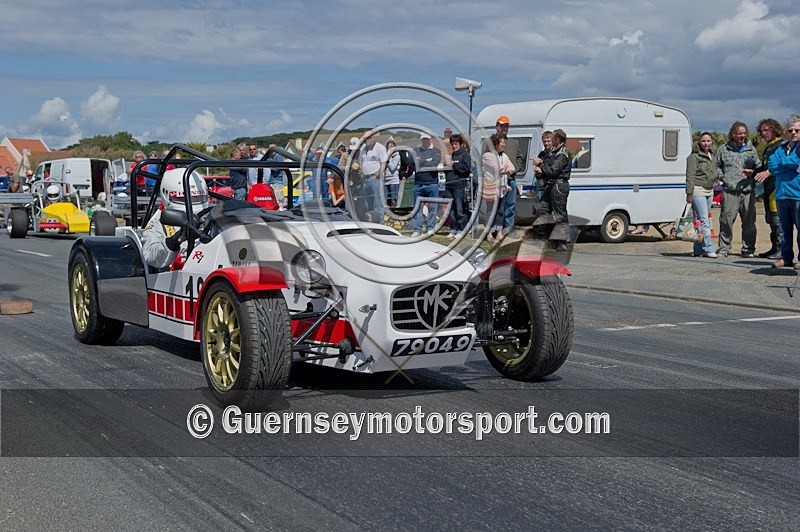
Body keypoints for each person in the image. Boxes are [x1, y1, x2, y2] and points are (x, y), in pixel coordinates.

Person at [142, 168, 209, 270]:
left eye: (196, 198)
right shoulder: (158, 223)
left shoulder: (212, 218)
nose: (191, 202)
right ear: (167, 196)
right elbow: (151, 257)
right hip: (173, 278)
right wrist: (174, 240)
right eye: (182, 198)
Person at [715, 121, 761, 258]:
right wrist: (722, 176)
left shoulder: (751, 149)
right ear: (733, 134)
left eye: (744, 133)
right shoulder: (724, 149)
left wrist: (752, 171)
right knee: (726, 220)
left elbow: (759, 166)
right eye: (739, 133)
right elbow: (716, 165)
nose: (742, 136)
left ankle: (748, 249)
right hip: (730, 191)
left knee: (749, 222)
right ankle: (724, 248)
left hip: (747, 190)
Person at [767, 116, 800, 269]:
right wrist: (787, 164)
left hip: (797, 194)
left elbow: (795, 161)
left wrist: (783, 163)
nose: (793, 133)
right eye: (791, 130)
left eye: (797, 130)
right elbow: (772, 166)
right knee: (784, 229)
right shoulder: (781, 147)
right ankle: (786, 257)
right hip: (781, 194)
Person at [533, 128, 571, 250]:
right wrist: (540, 171)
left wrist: (541, 164)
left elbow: (554, 170)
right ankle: (540, 239)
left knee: (560, 214)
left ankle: (562, 241)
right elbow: (548, 171)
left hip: (559, 186)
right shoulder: (555, 153)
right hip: (551, 185)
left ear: (557, 140)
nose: (550, 141)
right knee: (541, 209)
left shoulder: (562, 154)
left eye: (552, 138)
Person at [754, 118, 785, 258]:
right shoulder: (769, 147)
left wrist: (768, 172)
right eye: (762, 131)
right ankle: (775, 247)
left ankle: (783, 250)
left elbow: (783, 166)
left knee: (778, 219)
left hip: (777, 187)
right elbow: (767, 167)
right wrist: (754, 171)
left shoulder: (782, 145)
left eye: (767, 130)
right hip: (768, 187)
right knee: (771, 219)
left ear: (774, 129)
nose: (764, 133)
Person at [685, 132, 718, 258]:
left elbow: (714, 171)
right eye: (703, 141)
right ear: (699, 142)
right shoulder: (693, 157)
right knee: (704, 220)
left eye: (708, 141)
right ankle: (708, 248)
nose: (706, 143)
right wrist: (689, 193)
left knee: (699, 220)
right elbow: (690, 175)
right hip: (698, 189)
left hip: (709, 189)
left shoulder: (712, 155)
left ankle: (698, 248)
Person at [480, 134, 515, 242]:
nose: (504, 145)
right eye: (502, 143)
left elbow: (512, 168)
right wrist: (505, 170)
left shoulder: (504, 156)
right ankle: (489, 233)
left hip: (502, 187)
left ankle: (499, 232)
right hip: (491, 187)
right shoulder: (487, 155)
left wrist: (507, 170)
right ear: (495, 144)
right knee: (491, 211)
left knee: (500, 211)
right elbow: (498, 168)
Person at [494, 115, 524, 236]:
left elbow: (520, 158)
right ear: (497, 127)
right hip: (496, 180)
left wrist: (515, 169)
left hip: (510, 179)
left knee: (510, 206)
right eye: (502, 126)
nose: (505, 128)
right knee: (497, 207)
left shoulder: (513, 143)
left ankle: (509, 229)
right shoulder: (490, 142)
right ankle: (496, 230)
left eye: (507, 126)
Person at [409, 133, 441, 236]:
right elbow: (411, 162)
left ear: (430, 140)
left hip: (432, 183)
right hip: (418, 183)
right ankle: (417, 229)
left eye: (427, 139)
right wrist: (426, 160)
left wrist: (420, 160)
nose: (425, 141)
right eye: (423, 139)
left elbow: (434, 164)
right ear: (421, 140)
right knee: (418, 208)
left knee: (432, 208)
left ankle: (430, 227)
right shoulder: (415, 150)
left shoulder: (436, 151)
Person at [445, 133, 471, 238]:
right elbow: (448, 170)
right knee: (451, 210)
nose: (454, 146)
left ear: (460, 143)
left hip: (459, 186)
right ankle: (453, 229)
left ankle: (462, 229)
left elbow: (466, 168)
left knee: (460, 210)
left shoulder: (465, 154)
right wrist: (446, 166)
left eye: (456, 143)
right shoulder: (451, 155)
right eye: (452, 144)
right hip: (449, 186)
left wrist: (453, 164)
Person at [358, 132, 387, 222]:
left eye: (366, 139)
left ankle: (380, 225)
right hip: (365, 178)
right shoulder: (363, 148)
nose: (364, 141)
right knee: (367, 203)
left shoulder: (380, 148)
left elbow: (384, 162)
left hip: (375, 179)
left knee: (378, 203)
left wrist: (378, 173)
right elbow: (361, 160)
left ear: (372, 138)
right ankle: (370, 224)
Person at [384, 138, 401, 209]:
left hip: (394, 180)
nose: (390, 147)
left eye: (392, 146)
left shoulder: (397, 156)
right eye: (389, 146)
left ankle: (394, 214)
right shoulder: (385, 156)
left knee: (394, 199)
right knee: (386, 199)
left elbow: (392, 168)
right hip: (385, 180)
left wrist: (388, 160)